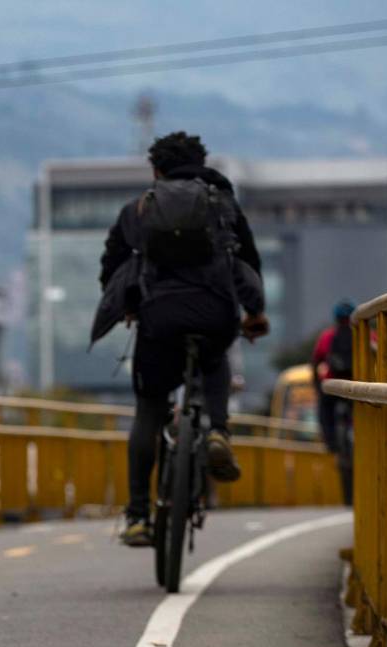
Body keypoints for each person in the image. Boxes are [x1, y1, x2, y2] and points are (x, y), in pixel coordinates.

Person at [99, 132, 268, 547]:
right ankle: (218, 432)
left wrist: (128, 307)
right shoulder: (221, 202)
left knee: (149, 410)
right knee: (214, 356)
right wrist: (254, 314)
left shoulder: (139, 208)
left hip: (158, 318)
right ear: (201, 164)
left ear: (156, 170)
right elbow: (248, 259)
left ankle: (138, 515)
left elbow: (112, 263)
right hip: (215, 312)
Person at [311, 299, 356, 453]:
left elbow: (316, 361)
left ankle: (330, 442)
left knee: (325, 408)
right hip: (357, 386)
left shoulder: (327, 336)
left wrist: (317, 386)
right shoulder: (366, 335)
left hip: (333, 385)